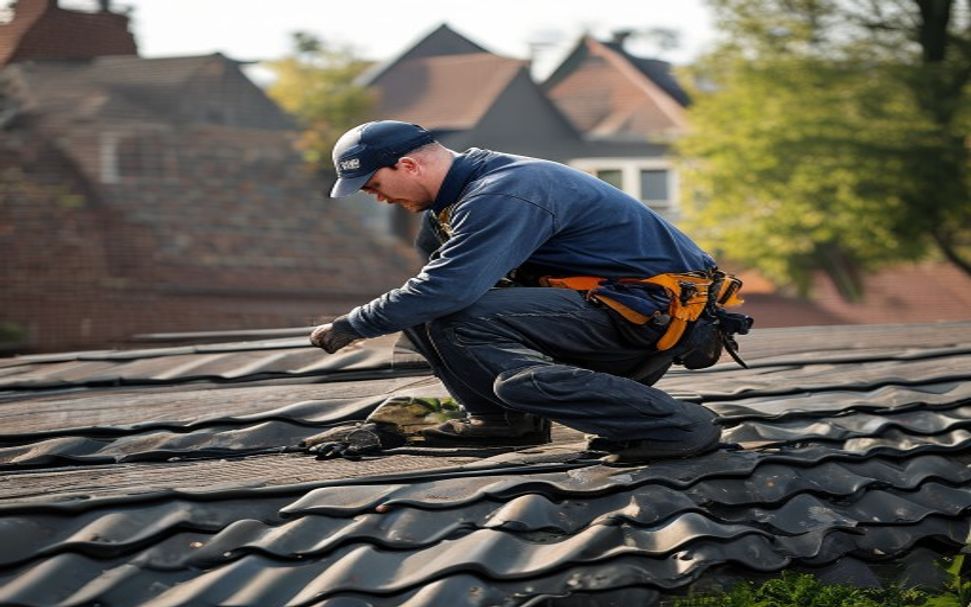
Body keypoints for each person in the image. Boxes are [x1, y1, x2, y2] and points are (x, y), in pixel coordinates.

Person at [309, 120, 749, 463]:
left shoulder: (505, 193)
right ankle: (503, 419)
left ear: (408, 166)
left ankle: (676, 425)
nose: (377, 199)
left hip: (647, 322)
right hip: (601, 318)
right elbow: (437, 319)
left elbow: (449, 292)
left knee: (453, 311)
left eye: (374, 186)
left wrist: (352, 325)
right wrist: (394, 423)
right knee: (427, 314)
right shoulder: (444, 216)